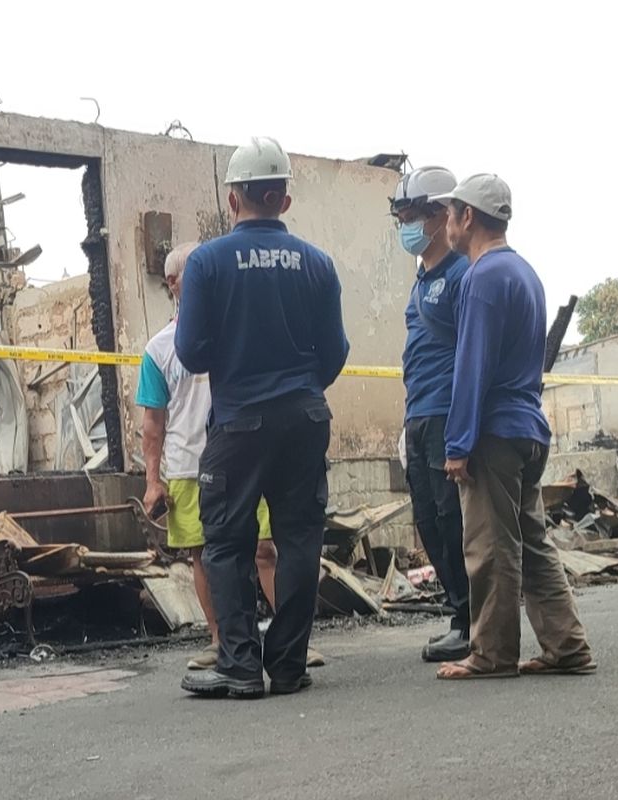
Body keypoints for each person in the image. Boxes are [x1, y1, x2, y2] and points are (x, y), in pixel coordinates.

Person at [175, 137, 350, 698]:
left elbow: (193, 353)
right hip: (304, 417)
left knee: (226, 541)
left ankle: (241, 665)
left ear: (233, 200)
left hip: (239, 422)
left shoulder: (206, 263)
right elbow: (336, 352)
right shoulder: (317, 264)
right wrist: (298, 391)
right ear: (285, 201)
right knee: (299, 538)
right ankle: (289, 665)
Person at [430, 174, 595, 680]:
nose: (446, 225)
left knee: (490, 546)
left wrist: (457, 444)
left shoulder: (482, 277)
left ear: (469, 218)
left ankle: (492, 654)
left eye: (450, 214)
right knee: (531, 539)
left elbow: (471, 366)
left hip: (495, 433)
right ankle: (566, 645)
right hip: (527, 427)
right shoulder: (524, 273)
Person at [137, 241, 293, 672]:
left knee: (264, 549)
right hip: (189, 465)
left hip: (247, 456)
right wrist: (153, 480)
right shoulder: (159, 349)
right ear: (173, 284)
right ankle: (220, 640)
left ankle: (288, 641)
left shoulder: (236, 329)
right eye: (200, 272)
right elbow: (153, 422)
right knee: (203, 555)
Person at [390, 167, 472, 663]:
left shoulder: (463, 275)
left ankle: (471, 619)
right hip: (419, 416)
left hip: (446, 413)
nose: (406, 226)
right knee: (428, 521)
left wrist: (463, 429)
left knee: (453, 519)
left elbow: (471, 354)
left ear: (442, 216)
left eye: (413, 216)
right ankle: (458, 613)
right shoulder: (421, 278)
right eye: (400, 217)